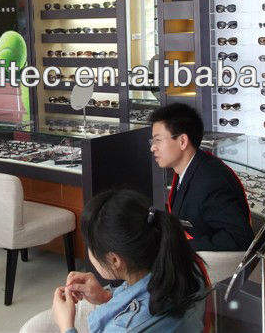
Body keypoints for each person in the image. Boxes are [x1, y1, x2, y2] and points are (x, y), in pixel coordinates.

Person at [51, 190, 207, 333]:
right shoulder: (184, 266)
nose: (89, 251)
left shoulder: (124, 328)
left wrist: (66, 326)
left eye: (90, 246)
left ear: (114, 260)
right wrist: (107, 296)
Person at [149, 103, 254, 252]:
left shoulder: (211, 181)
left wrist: (178, 248)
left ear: (182, 141)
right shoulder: (190, 169)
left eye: (158, 140)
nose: (152, 147)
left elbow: (239, 238)